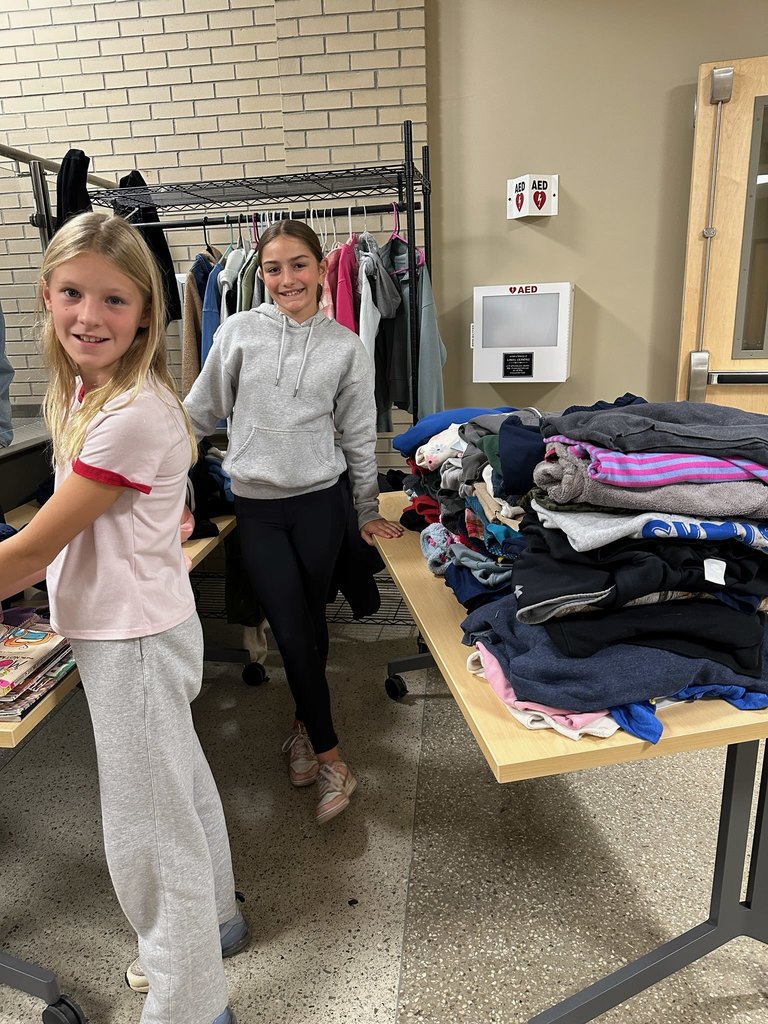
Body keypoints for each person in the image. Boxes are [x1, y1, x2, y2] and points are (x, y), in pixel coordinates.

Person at [0, 212, 245, 1024]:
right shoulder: (92, 389)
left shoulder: (129, 410)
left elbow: (30, 554)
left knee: (146, 834)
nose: (89, 316)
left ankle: (190, 1006)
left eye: (114, 299)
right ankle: (217, 924)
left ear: (146, 312)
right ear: (47, 294)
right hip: (139, 620)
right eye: (73, 293)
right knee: (181, 789)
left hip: (130, 636)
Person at [184, 219, 404, 824]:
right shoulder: (237, 333)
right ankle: (334, 757)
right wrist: (164, 481)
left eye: (299, 265)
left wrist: (363, 510)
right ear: (262, 273)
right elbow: (197, 415)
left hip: (319, 505)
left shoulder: (346, 348)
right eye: (274, 268)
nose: (287, 279)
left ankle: (306, 731)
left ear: (318, 267)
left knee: (309, 622)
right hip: (258, 508)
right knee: (287, 625)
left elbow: (360, 437)